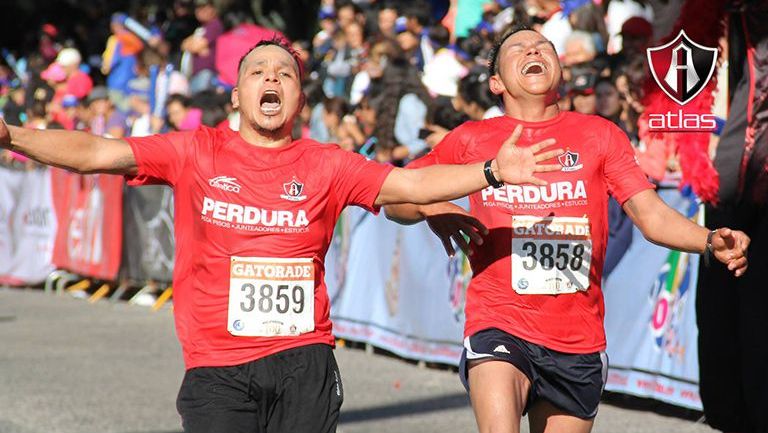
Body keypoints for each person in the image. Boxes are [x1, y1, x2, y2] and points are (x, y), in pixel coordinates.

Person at [0, 38, 565, 433]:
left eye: (285, 74)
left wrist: (491, 172)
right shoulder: (195, 151)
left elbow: (411, 184)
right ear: (236, 96)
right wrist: (10, 135)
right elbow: (96, 151)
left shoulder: (327, 163)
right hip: (217, 366)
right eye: (258, 73)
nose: (272, 79)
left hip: (306, 361)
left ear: (299, 98)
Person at [383, 26, 750, 433]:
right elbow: (394, 198)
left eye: (543, 46)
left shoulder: (600, 136)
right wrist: (433, 208)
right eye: (518, 49)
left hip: (577, 338)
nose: (533, 50)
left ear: (559, 69)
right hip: (499, 320)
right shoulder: (471, 139)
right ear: (496, 82)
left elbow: (651, 216)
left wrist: (709, 241)